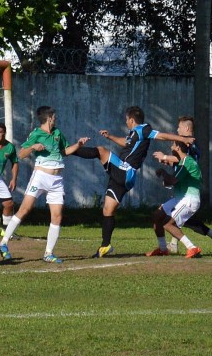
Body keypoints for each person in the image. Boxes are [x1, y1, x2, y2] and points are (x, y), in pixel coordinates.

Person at [71, 106, 195, 258]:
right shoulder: (134, 134)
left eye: (126, 120)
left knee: (101, 150)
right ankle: (105, 246)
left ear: (131, 119)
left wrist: (182, 139)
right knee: (107, 210)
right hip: (123, 176)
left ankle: (67, 150)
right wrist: (110, 137)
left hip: (126, 170)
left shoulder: (144, 129)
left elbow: (161, 136)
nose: (126, 122)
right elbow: (126, 142)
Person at [0, 107, 89, 263]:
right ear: (50, 118)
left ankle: (48, 253)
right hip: (40, 177)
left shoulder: (58, 133)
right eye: (55, 116)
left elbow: (65, 151)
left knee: (57, 216)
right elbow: (21, 154)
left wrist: (78, 145)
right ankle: (3, 243)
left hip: (57, 180)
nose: (56, 119)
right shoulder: (36, 134)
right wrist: (33, 147)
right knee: (25, 209)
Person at [152, 116, 212, 254]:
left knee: (173, 222)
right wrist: (168, 164)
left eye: (178, 127)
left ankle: (183, 245)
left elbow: (184, 160)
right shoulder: (186, 144)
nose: (177, 130)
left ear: (186, 128)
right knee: (170, 218)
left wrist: (165, 158)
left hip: (187, 193)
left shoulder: (189, 144)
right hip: (181, 191)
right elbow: (180, 161)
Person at [146, 140, 203, 259]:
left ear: (177, 148)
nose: (171, 146)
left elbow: (172, 180)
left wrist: (162, 172)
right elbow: (172, 178)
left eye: (173, 144)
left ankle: (192, 248)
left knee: (167, 224)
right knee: (157, 216)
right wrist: (166, 165)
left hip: (189, 199)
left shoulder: (187, 162)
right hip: (180, 198)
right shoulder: (183, 161)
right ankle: (163, 249)